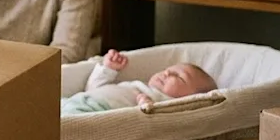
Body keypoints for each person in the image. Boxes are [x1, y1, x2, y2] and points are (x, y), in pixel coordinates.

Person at [60, 49, 218, 115]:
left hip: (95, 112)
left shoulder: (167, 105)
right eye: (167, 70)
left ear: (190, 98)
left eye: (179, 76)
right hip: (76, 99)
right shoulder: (138, 85)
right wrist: (107, 69)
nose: (167, 72)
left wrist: (147, 107)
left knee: (63, 127)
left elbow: (152, 124)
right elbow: (93, 88)